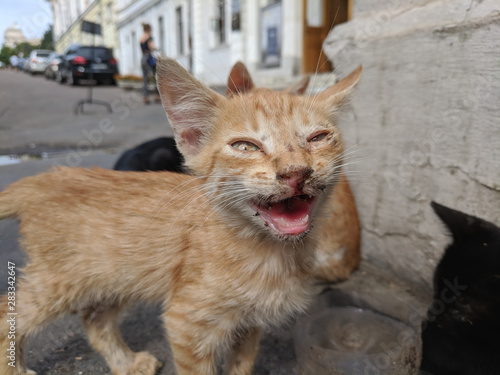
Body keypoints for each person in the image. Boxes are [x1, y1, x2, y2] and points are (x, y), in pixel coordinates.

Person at [140, 23, 161, 105]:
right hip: (149, 58)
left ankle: (146, 97)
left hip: (143, 58)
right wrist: (157, 48)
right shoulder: (149, 37)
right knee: (156, 75)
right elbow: (151, 47)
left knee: (145, 78)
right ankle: (156, 95)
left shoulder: (141, 38)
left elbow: (141, 50)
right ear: (149, 29)